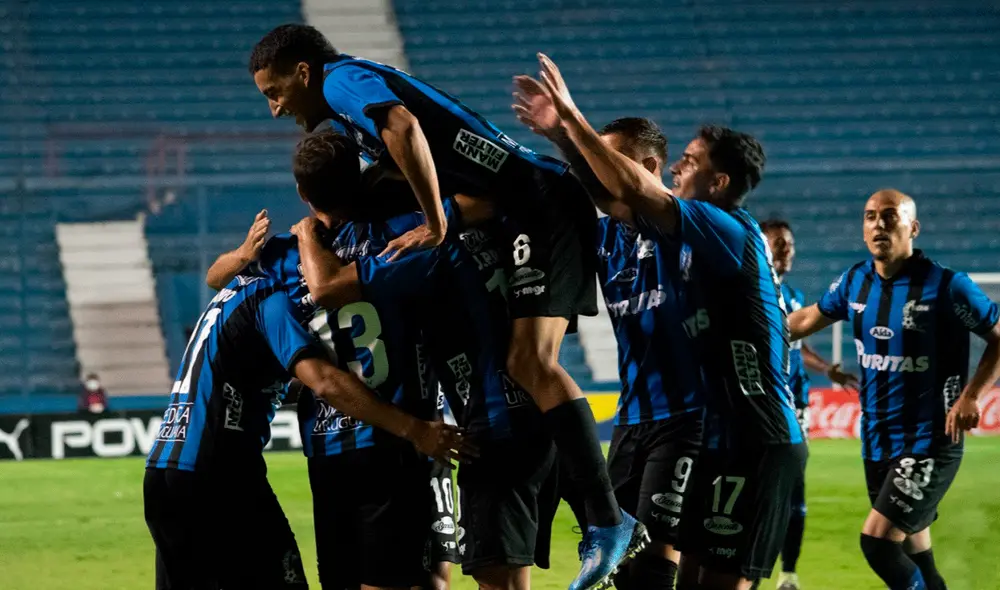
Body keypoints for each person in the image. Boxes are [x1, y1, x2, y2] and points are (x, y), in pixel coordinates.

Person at [249, 25, 643, 589]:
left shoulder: (341, 82)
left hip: (541, 205)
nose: (275, 107)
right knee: (525, 364)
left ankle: (607, 522)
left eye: (275, 90)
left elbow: (404, 125)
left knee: (531, 362)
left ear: (304, 71)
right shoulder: (354, 117)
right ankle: (604, 520)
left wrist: (435, 222)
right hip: (521, 208)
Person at [513, 54, 806, 590]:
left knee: (660, 570)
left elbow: (630, 193)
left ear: (717, 181)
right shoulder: (622, 234)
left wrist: (572, 121)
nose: (677, 168)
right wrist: (561, 137)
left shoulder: (717, 228)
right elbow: (611, 197)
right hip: (654, 422)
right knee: (637, 566)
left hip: (716, 425)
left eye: (688, 162)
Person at [144, 274, 468, 590]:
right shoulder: (272, 300)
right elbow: (323, 382)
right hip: (220, 473)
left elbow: (218, 275)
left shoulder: (229, 295)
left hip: (164, 470)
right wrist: (412, 428)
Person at [786, 189, 1000, 590]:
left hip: (930, 439)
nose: (878, 224)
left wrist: (972, 395)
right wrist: (757, 330)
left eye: (889, 216)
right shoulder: (854, 282)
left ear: (913, 228)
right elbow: (806, 319)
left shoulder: (948, 286)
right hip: (878, 441)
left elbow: (999, 338)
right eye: (869, 216)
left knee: (878, 544)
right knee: (916, 556)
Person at [760, 218, 860, 590]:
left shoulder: (795, 296)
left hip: (794, 402)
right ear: (762, 247)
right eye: (779, 243)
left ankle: (787, 574)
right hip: (759, 403)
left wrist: (826, 370)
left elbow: (798, 345)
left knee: (794, 487)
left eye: (790, 245)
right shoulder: (751, 291)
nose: (787, 250)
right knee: (757, 488)